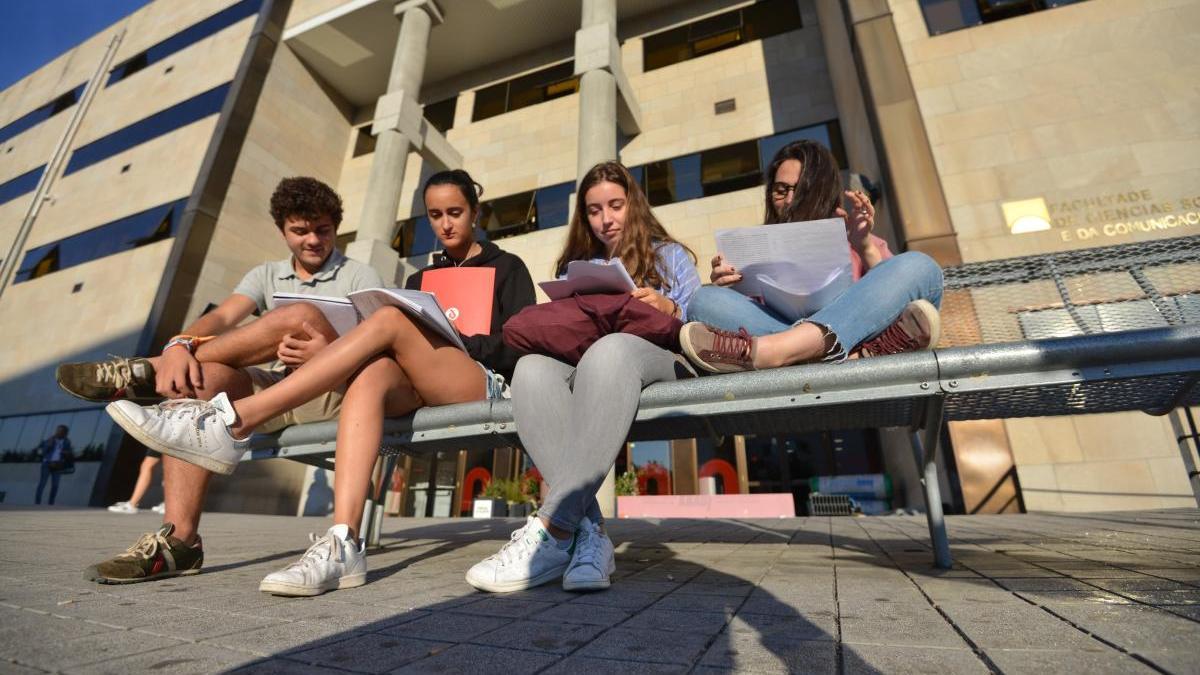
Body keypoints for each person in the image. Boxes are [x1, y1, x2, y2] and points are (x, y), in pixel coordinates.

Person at [103, 169, 536, 597]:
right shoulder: (420, 280)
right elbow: (226, 316)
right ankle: (341, 541)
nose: (445, 224)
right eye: (436, 215)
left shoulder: (507, 267)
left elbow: (518, 342)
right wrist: (182, 343)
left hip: (478, 378)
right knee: (365, 370)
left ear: (476, 212)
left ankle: (228, 421)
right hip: (401, 387)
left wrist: (448, 340)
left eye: (455, 212)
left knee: (381, 320)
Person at [72, 176, 384, 584]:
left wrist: (322, 350)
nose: (312, 240)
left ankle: (143, 372)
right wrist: (178, 346)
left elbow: (376, 351)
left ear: (336, 228)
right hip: (276, 390)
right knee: (197, 381)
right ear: (282, 230)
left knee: (299, 316)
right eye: (300, 230)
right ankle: (181, 542)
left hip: (333, 392)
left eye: (322, 230)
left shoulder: (360, 274)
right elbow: (220, 319)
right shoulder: (266, 274)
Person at [465, 160, 701, 593]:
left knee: (607, 352)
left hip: (661, 361)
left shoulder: (670, 255)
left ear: (634, 203)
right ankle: (591, 534)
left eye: (615, 205)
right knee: (531, 369)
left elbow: (696, 325)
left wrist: (669, 307)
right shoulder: (575, 264)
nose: (606, 219)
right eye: (594, 210)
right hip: (586, 360)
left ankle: (552, 530)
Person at [680, 140, 943, 372]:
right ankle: (823, 357)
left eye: (801, 189)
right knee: (704, 300)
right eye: (781, 190)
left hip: (824, 340)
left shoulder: (854, 237)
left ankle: (779, 351)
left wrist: (864, 246)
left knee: (920, 266)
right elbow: (741, 316)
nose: (790, 199)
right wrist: (729, 285)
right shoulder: (756, 248)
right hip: (849, 353)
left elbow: (896, 308)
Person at [35, 425, 73, 505]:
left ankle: (51, 503)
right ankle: (37, 502)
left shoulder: (67, 442)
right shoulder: (49, 439)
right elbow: (42, 452)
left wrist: (66, 453)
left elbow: (69, 453)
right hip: (47, 464)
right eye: (58, 431)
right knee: (42, 483)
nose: (58, 432)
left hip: (58, 465)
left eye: (61, 431)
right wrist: (48, 445)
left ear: (65, 433)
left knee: (55, 485)